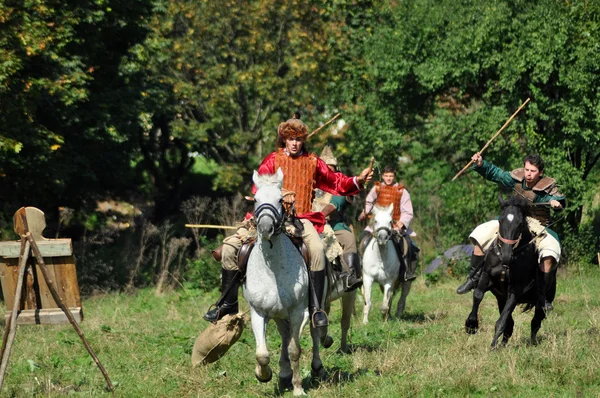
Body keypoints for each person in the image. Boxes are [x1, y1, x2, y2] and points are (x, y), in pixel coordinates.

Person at [204, 115, 373, 327]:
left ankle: (316, 309)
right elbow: (258, 188)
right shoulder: (272, 160)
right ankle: (227, 304)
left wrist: (358, 180)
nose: (294, 143)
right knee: (229, 248)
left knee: (319, 250)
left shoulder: (313, 162)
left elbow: (336, 182)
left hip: (301, 219)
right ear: (284, 139)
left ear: (304, 140)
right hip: (270, 217)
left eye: (299, 139)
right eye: (290, 138)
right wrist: (280, 192)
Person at [456, 153, 565, 310]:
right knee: (480, 235)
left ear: (540, 172)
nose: (528, 173)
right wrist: (481, 164)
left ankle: (542, 295)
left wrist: (556, 203)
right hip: (514, 220)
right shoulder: (517, 178)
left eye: (533, 171)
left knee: (550, 252)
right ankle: (473, 278)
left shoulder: (547, 186)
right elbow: (497, 174)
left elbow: (559, 199)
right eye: (527, 169)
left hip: (538, 224)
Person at [313, 146, 363, 292]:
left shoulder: (340, 184)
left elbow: (334, 204)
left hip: (334, 225)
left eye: (331, 168)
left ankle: (349, 276)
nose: (327, 171)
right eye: (324, 168)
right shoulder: (310, 183)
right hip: (309, 223)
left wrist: (319, 216)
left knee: (349, 239)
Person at [357, 166, 419, 281]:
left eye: (391, 176)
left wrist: (403, 222)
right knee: (362, 239)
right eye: (386, 176)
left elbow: (408, 211)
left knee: (408, 244)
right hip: (377, 225)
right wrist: (364, 212)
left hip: (395, 226)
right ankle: (360, 270)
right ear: (382, 176)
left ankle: (407, 271)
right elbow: (369, 203)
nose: (388, 178)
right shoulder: (377, 188)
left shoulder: (402, 191)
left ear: (394, 176)